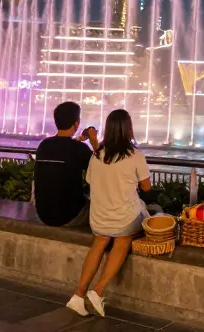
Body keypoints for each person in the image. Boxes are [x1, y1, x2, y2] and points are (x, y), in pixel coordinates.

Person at [67, 109, 151, 317]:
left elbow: (90, 181)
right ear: (128, 129)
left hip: (98, 217)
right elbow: (147, 187)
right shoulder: (135, 155)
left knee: (100, 241)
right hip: (123, 218)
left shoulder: (97, 156)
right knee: (123, 240)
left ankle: (78, 296)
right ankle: (98, 290)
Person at [33, 102, 97, 227]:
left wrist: (78, 141)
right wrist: (94, 141)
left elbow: (64, 150)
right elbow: (101, 168)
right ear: (76, 123)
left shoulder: (43, 145)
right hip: (69, 216)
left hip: (43, 214)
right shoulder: (79, 149)